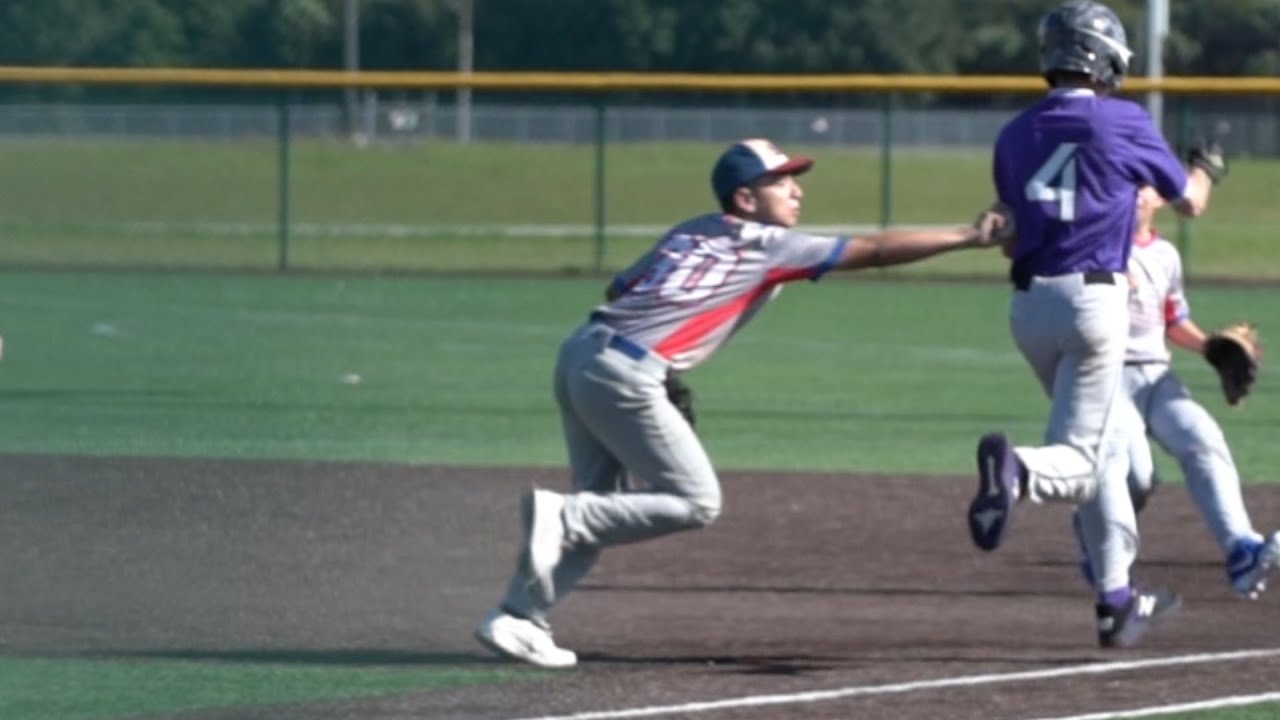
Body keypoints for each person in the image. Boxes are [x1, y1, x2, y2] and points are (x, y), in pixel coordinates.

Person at [474, 137, 1010, 668]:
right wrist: (969, 235)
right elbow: (874, 251)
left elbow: (622, 290)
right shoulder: (768, 245)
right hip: (626, 370)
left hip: (581, 355)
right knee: (692, 500)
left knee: (605, 510)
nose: (796, 191)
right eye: (779, 181)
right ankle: (561, 518)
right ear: (746, 200)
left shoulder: (692, 230)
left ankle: (520, 616)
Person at [966, 0, 1227, 649]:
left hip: (1028, 308)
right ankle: (1016, 472)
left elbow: (1010, 227)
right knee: (1081, 460)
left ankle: (1115, 601)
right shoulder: (1125, 119)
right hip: (1094, 303)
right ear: (1103, 57)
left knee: (1104, 451)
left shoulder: (1016, 131)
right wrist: (1207, 169)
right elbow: (1187, 202)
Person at [1068, 186, 1280, 597]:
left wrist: (1209, 347)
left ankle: (1241, 550)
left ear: (1160, 199)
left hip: (1156, 376)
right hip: (1107, 376)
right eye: (1124, 187)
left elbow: (1172, 318)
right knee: (1138, 477)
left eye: (1142, 188)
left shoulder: (1166, 256)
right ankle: (1094, 531)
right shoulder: (1091, 243)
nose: (1132, 196)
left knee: (1203, 439)